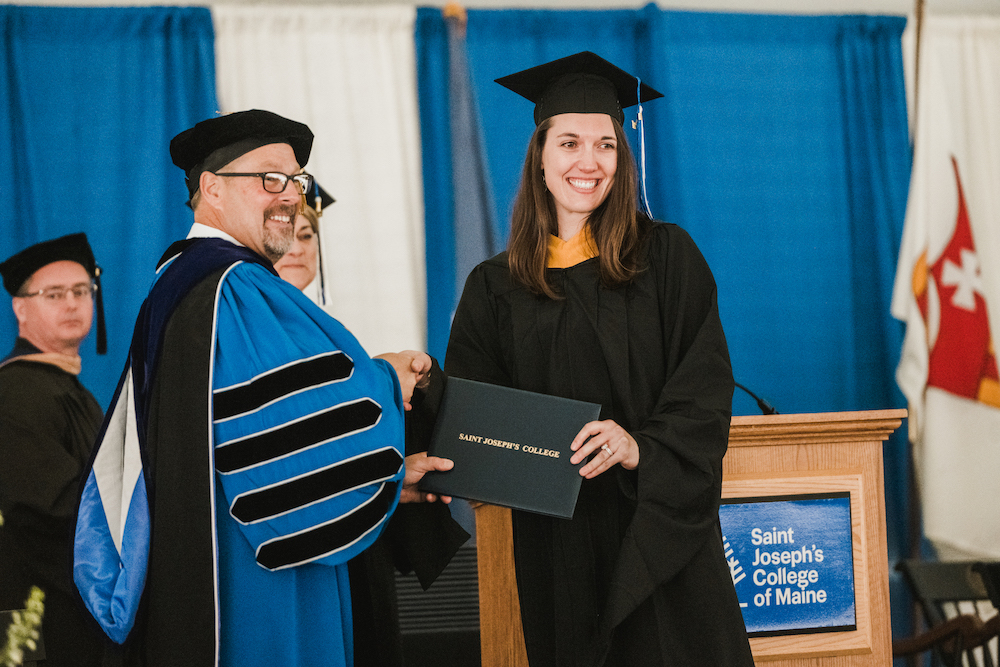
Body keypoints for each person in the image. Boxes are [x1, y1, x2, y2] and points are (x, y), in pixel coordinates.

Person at [72, 109, 465, 667]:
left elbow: (266, 424)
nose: (290, 196)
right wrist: (389, 377)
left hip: (203, 559)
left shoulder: (176, 286)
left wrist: (391, 471)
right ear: (211, 188)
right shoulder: (238, 286)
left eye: (296, 181)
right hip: (256, 585)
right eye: (268, 179)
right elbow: (284, 438)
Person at [444, 52, 755, 666]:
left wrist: (641, 447)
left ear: (623, 156)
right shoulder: (495, 287)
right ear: (540, 157)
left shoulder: (666, 258)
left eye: (605, 145)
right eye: (569, 143)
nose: (588, 163)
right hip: (558, 546)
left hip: (659, 538)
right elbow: (474, 411)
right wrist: (425, 388)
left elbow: (704, 382)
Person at [275, 182, 467, 666]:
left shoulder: (336, 340)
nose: (298, 247)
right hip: (305, 547)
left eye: (307, 235)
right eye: (288, 234)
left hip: (360, 542)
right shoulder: (258, 344)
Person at [0, 233, 109, 666]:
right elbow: (55, 505)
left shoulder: (71, 389)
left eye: (81, 291)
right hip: (33, 606)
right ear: (20, 308)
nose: (71, 304)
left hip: (70, 602)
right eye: (54, 294)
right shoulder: (16, 392)